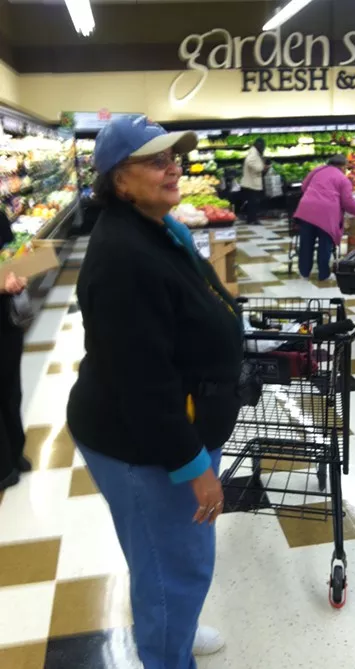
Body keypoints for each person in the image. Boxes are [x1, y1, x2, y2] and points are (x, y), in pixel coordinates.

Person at [66, 116, 244, 669]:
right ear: (120, 179)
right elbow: (143, 387)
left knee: (175, 558)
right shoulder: (123, 258)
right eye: (157, 160)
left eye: (175, 157)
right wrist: (194, 467)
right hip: (144, 446)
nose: (175, 168)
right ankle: (167, 653)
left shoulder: (158, 227)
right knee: (172, 569)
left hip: (171, 428)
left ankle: (174, 630)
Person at [295, 154, 355, 281]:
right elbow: (347, 202)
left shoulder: (317, 170)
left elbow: (304, 187)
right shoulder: (343, 179)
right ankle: (323, 274)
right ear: (343, 166)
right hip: (327, 214)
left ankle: (304, 272)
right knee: (325, 244)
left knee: (306, 243)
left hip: (306, 210)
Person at [0, 211, 31, 492]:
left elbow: (9, 254)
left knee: (11, 389)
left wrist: (20, 269)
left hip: (6, 320)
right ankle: (3, 467)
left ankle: (15, 450)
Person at [241, 137, 266, 225]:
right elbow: (249, 162)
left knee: (253, 202)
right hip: (251, 183)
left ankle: (252, 219)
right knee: (253, 202)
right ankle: (252, 219)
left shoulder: (254, 152)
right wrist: (260, 168)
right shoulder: (254, 153)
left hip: (252, 182)